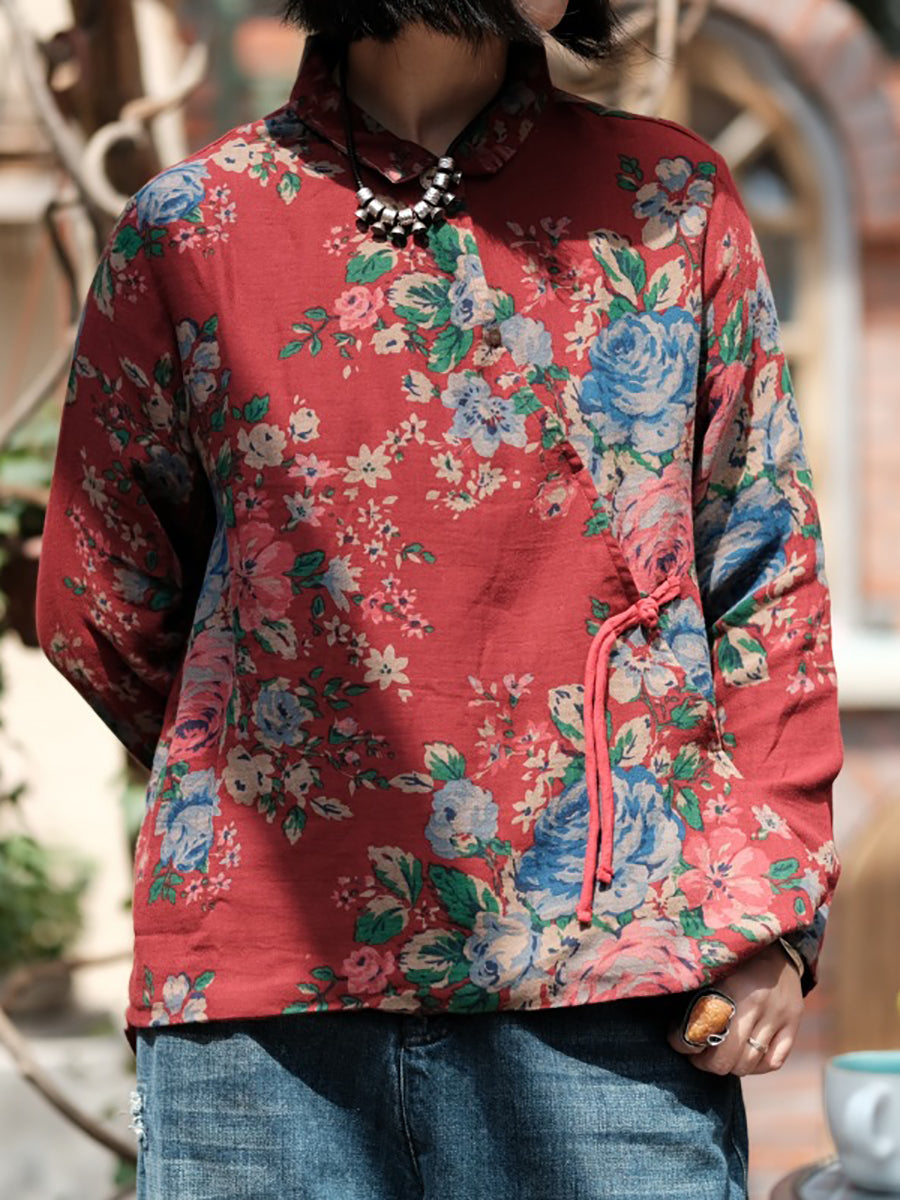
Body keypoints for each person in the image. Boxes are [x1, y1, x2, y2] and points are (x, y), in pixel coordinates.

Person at [36, 1, 843, 1196]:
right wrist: (282, 759)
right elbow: (100, 596)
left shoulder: (669, 205)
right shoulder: (194, 227)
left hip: (615, 999)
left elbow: (765, 570)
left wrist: (770, 905)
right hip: (267, 1020)